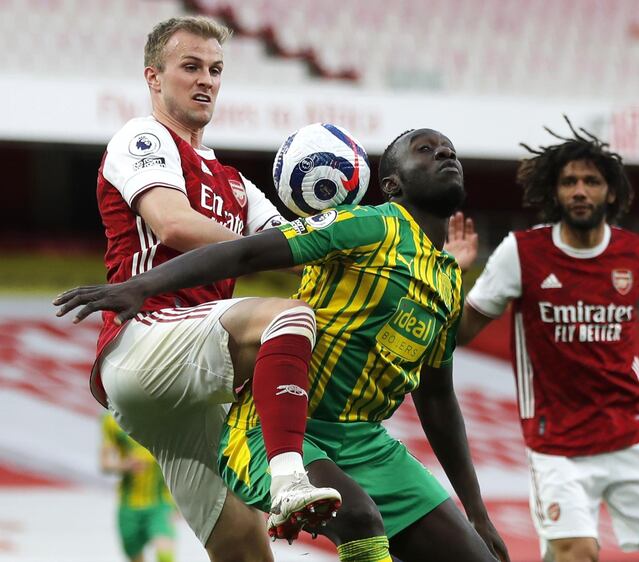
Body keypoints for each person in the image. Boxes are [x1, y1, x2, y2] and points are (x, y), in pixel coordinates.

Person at [56, 128, 509, 562]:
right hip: (276, 430)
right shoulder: (367, 227)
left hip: (366, 441)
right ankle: (288, 480)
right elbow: (247, 252)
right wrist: (141, 285)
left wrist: (477, 512)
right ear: (391, 184)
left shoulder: (448, 280)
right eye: (426, 149)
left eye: (449, 149)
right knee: (358, 516)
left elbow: (437, 398)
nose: (445, 154)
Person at [77, 15, 340, 561]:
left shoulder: (238, 186)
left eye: (215, 70)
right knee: (288, 318)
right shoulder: (142, 137)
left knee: (245, 551)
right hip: (143, 342)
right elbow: (172, 223)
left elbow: (299, 251)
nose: (206, 81)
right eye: (190, 67)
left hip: (192, 385)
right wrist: (253, 250)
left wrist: (375, 239)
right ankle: (289, 476)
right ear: (153, 77)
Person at [457, 122, 639, 562]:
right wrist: (452, 272)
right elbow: (462, 334)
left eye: (591, 181)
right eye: (569, 182)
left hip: (630, 437)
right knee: (575, 553)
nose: (580, 191)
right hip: (556, 447)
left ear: (611, 193)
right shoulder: (521, 253)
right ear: (555, 193)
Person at [101, 413, 177, 562]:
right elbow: (104, 463)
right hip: (129, 506)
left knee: (165, 554)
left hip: (160, 502)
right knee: (135, 557)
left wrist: (179, 501)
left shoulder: (164, 415)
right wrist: (124, 465)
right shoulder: (111, 419)